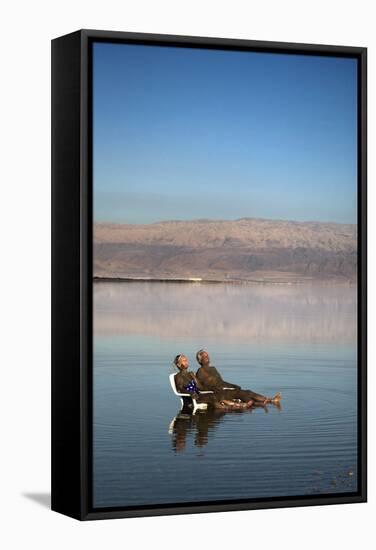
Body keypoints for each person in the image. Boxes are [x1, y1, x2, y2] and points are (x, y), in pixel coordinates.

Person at [195, 349, 281, 406]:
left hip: (225, 390)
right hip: (218, 393)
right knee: (244, 395)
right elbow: (203, 387)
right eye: (205, 356)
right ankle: (264, 402)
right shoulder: (200, 372)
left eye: (207, 356)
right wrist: (216, 389)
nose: (208, 357)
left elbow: (222, 382)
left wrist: (233, 385)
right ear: (200, 360)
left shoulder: (213, 369)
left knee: (248, 392)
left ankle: (270, 400)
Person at [173, 354, 254, 410]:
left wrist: (211, 387)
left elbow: (200, 387)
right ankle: (228, 407)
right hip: (192, 398)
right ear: (178, 364)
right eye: (183, 361)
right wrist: (190, 393)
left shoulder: (190, 374)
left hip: (199, 394)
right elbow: (180, 388)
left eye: (186, 360)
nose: (186, 362)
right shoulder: (178, 376)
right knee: (212, 397)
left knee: (217, 394)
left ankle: (236, 405)